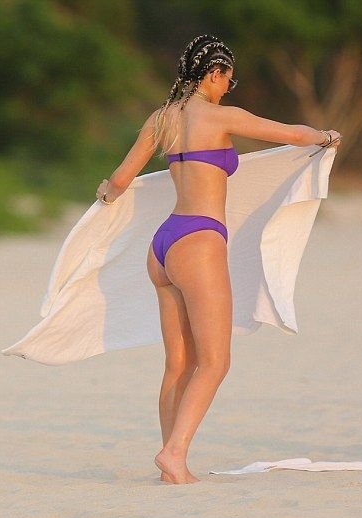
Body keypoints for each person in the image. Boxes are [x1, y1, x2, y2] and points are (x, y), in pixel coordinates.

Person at [95, 35, 341, 484]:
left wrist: (106, 195)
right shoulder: (224, 116)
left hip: (164, 243)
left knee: (178, 365)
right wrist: (326, 137)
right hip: (199, 241)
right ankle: (174, 453)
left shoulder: (161, 118)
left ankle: (171, 463)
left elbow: (122, 178)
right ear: (214, 73)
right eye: (229, 79)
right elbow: (292, 134)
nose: (229, 87)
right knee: (215, 362)